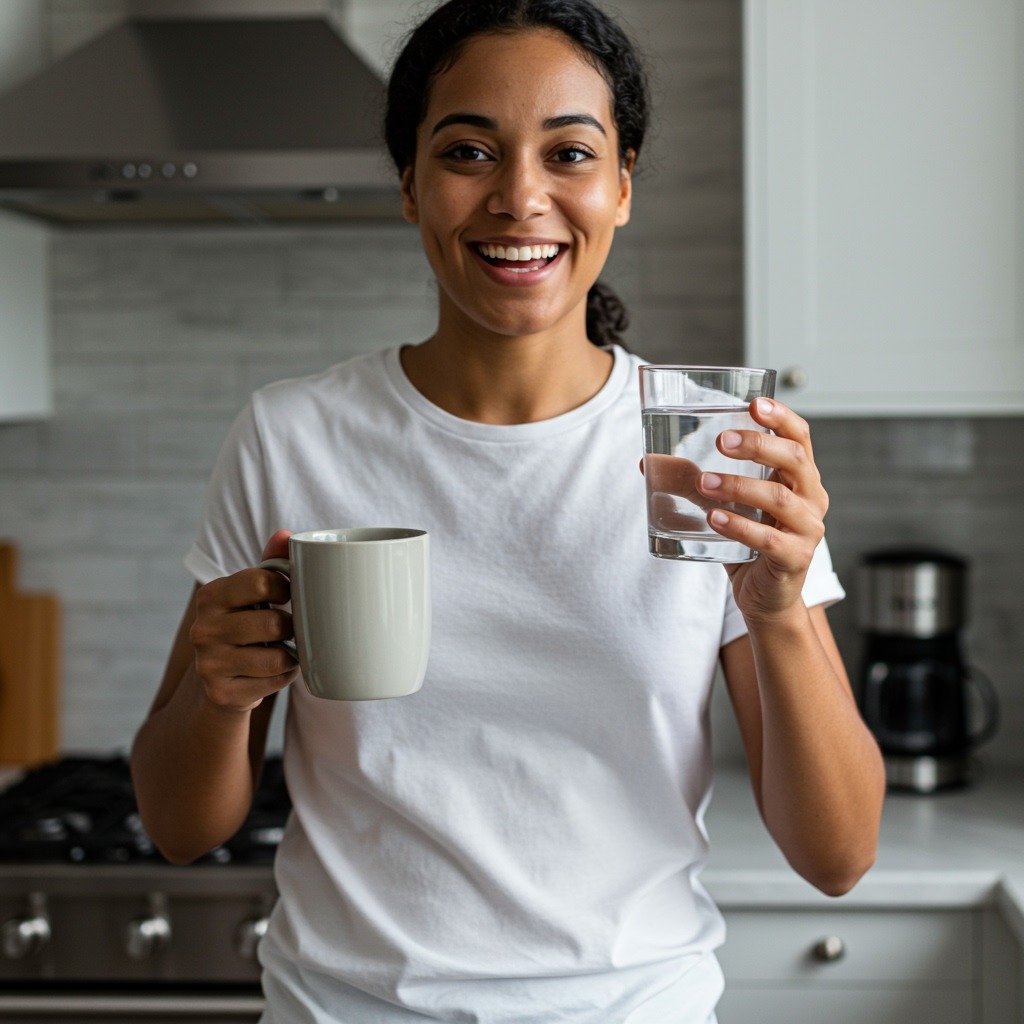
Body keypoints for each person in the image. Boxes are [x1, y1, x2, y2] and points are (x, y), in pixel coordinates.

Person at [131, 1, 886, 1021]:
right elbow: (180, 825)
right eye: (468, 151)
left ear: (622, 187)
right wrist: (218, 699)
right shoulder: (291, 434)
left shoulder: (705, 443)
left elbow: (836, 855)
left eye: (569, 152)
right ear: (409, 186)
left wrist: (782, 607)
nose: (519, 196)